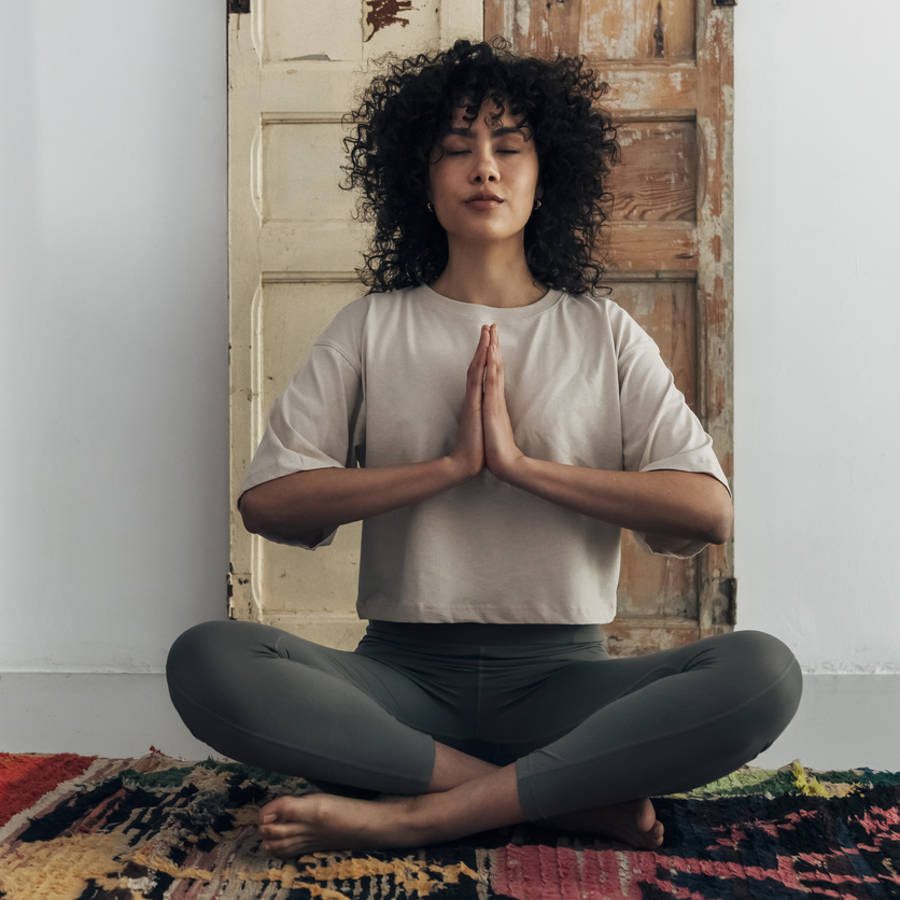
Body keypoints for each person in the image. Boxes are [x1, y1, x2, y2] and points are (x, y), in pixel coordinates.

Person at [165, 37, 802, 858]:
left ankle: (424, 812)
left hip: (566, 687)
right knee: (208, 659)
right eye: (456, 150)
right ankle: (561, 794)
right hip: (398, 686)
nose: (485, 169)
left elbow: (706, 511)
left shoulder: (599, 329)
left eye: (508, 148)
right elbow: (270, 504)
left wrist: (524, 470)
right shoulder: (372, 325)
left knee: (766, 672)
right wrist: (447, 470)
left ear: (547, 173)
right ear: (420, 181)